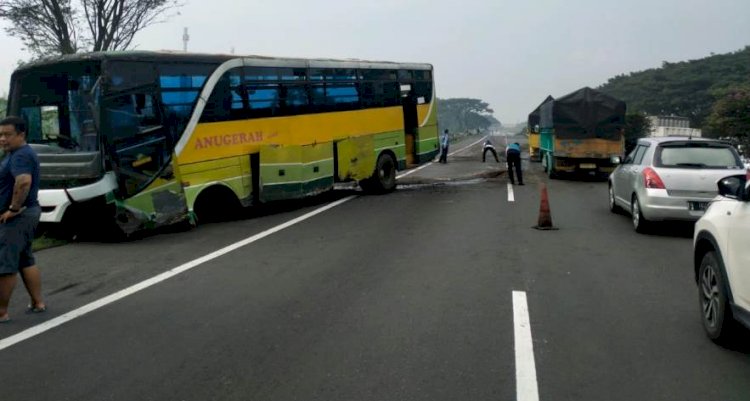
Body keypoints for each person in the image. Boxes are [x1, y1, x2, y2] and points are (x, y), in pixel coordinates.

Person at [0, 116, 45, 323]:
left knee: (6, 263)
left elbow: (24, 182)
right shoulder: (17, 153)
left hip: (19, 216)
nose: (2, 139)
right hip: (28, 213)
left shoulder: (20, 156)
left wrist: (13, 208)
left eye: (7, 135)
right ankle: (38, 302)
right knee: (25, 258)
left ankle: (1, 312)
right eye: (0, 135)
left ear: (21, 134)